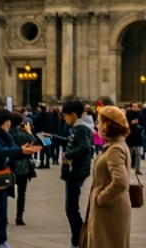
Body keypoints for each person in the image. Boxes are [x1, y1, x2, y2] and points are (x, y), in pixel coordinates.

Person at [0, 108, 41, 248]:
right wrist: (21, 151)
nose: (9, 124)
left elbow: (15, 151)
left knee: (2, 214)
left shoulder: (7, 135)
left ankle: (2, 241)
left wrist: (27, 152)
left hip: (2, 176)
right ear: (0, 122)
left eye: (10, 121)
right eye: (7, 121)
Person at [81, 105, 132, 248]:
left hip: (109, 210)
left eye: (99, 122)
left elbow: (121, 181)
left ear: (107, 125)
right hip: (110, 208)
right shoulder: (116, 145)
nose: (97, 125)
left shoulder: (115, 149)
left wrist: (102, 198)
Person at [46, 100, 94, 248]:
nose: (64, 119)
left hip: (75, 172)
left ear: (73, 114)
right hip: (77, 171)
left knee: (71, 209)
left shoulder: (80, 128)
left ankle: (77, 241)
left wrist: (68, 155)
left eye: (65, 115)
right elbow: (72, 141)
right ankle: (78, 241)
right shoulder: (80, 127)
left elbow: (85, 148)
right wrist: (53, 137)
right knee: (72, 208)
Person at [8, 111, 40, 226]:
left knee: (3, 192)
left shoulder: (6, 134)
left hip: (7, 165)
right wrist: (29, 132)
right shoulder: (22, 134)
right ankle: (19, 217)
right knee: (22, 193)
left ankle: (3, 216)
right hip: (22, 165)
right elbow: (35, 144)